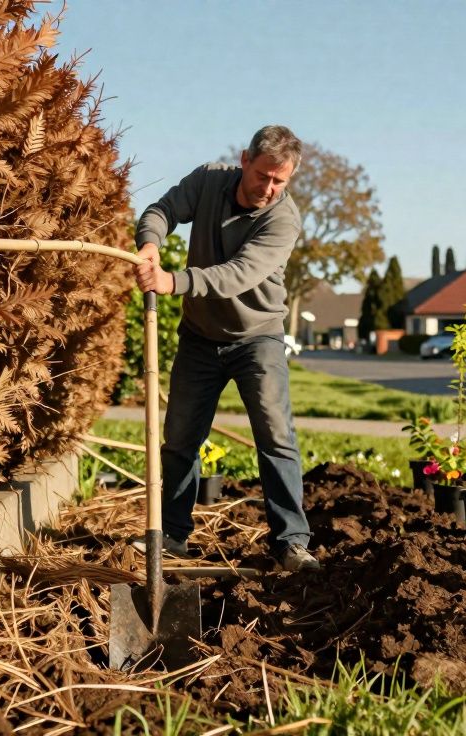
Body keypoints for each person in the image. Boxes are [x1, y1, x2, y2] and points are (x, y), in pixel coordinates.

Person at [132, 125, 319, 572]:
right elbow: (161, 210)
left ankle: (291, 542)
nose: (269, 189)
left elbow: (238, 274)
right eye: (263, 176)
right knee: (179, 437)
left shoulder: (283, 219)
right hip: (200, 338)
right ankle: (172, 535)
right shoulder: (208, 181)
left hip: (258, 338)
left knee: (275, 435)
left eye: (281, 181)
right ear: (244, 160)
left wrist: (173, 282)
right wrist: (150, 244)